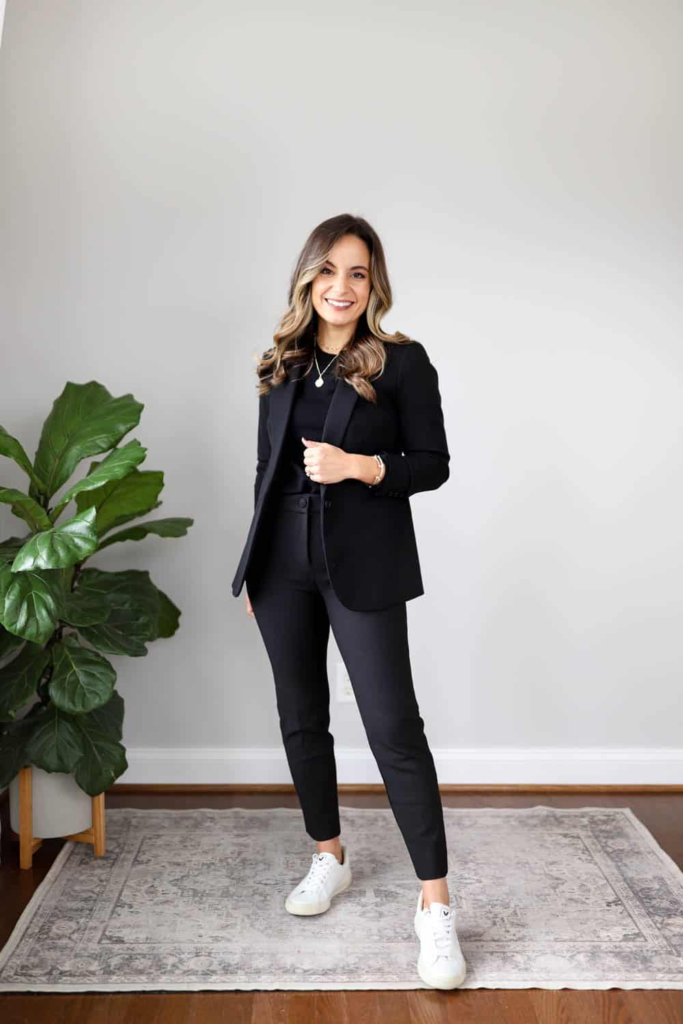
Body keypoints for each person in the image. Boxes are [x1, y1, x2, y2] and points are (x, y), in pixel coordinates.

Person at [231, 213, 466, 989]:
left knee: (393, 728)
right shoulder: (282, 363)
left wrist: (360, 466)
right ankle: (327, 855)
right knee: (301, 717)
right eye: (328, 270)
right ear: (308, 278)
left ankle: (434, 906)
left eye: (357, 273)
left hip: (362, 564)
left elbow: (432, 463)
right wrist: (252, 569)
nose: (341, 286)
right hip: (281, 566)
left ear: (374, 284)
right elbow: (266, 469)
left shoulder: (401, 361)